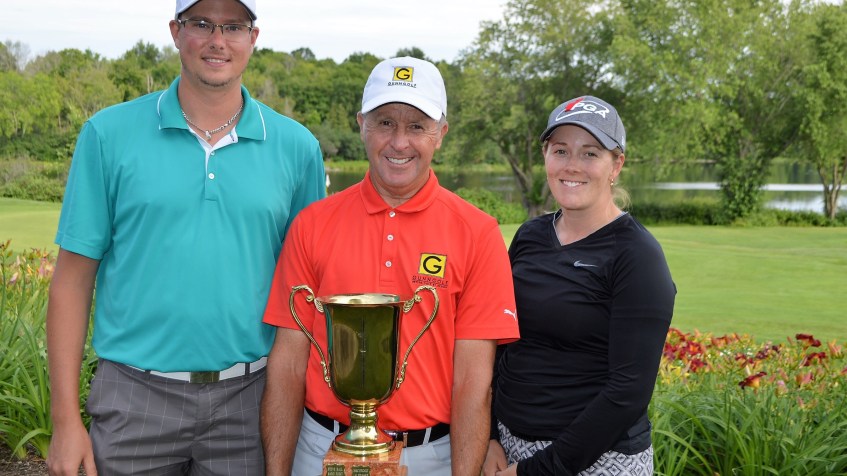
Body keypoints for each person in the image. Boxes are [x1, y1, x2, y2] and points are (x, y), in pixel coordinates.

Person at [45, 0, 326, 474]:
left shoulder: (297, 148)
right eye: (201, 23)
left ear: (253, 38)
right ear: (176, 32)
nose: (218, 40)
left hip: (250, 398)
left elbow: (306, 292)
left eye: (233, 26)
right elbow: (72, 281)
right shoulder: (108, 134)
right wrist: (64, 421)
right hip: (134, 398)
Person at [260, 56, 521, 476]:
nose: (399, 142)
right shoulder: (312, 224)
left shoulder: (477, 232)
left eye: (417, 126)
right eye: (385, 123)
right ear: (361, 124)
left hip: (429, 456)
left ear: (441, 134)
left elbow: (473, 384)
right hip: (319, 447)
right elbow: (288, 363)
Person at [483, 96, 676, 476]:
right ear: (545, 156)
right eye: (561, 151)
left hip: (595, 459)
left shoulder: (637, 256)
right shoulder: (530, 235)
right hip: (508, 447)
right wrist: (489, 435)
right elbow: (499, 343)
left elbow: (627, 393)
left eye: (590, 153)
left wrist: (537, 470)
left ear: (615, 165)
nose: (572, 166)